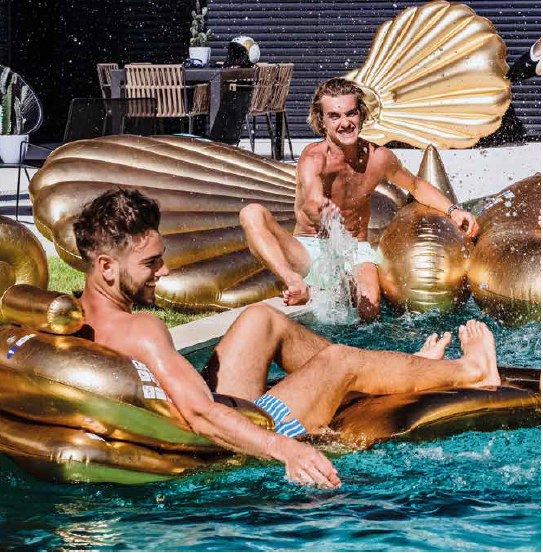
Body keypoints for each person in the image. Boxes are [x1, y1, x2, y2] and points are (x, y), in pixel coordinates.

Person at [75, 187, 500, 490]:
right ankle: (471, 369)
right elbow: (202, 415)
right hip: (239, 439)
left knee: (260, 319)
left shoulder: (79, 317)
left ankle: (396, 372)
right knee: (338, 360)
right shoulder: (141, 330)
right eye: (151, 263)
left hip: (223, 416)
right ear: (107, 266)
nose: (164, 271)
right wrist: (285, 450)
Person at [239, 77, 479, 319]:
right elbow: (311, 201)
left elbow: (416, 185)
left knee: (370, 308)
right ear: (322, 121)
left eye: (351, 113)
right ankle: (295, 283)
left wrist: (454, 211)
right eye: (334, 116)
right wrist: (320, 209)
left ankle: (322, 292)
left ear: (361, 114)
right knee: (251, 213)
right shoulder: (313, 157)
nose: (345, 123)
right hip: (308, 250)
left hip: (354, 250)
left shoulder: (378, 158)